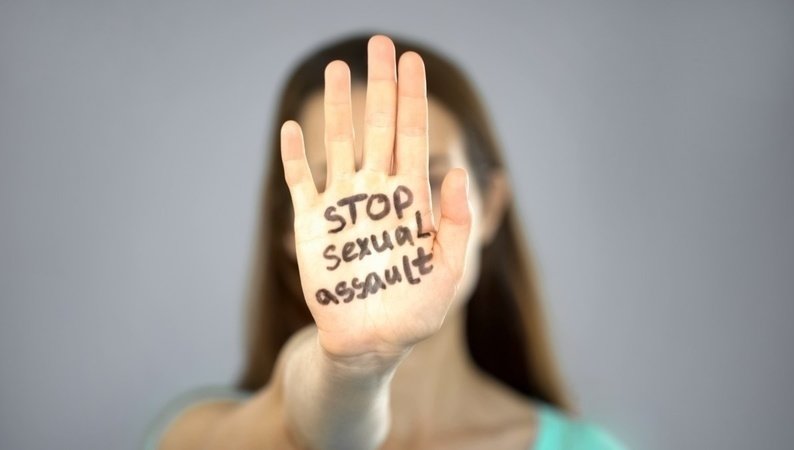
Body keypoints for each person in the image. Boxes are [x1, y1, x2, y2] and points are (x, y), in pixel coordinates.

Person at [143, 33, 626, 450]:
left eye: (429, 178)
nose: (388, 218)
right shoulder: (197, 435)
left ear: (492, 206)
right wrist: (353, 366)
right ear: (289, 231)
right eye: (337, 188)